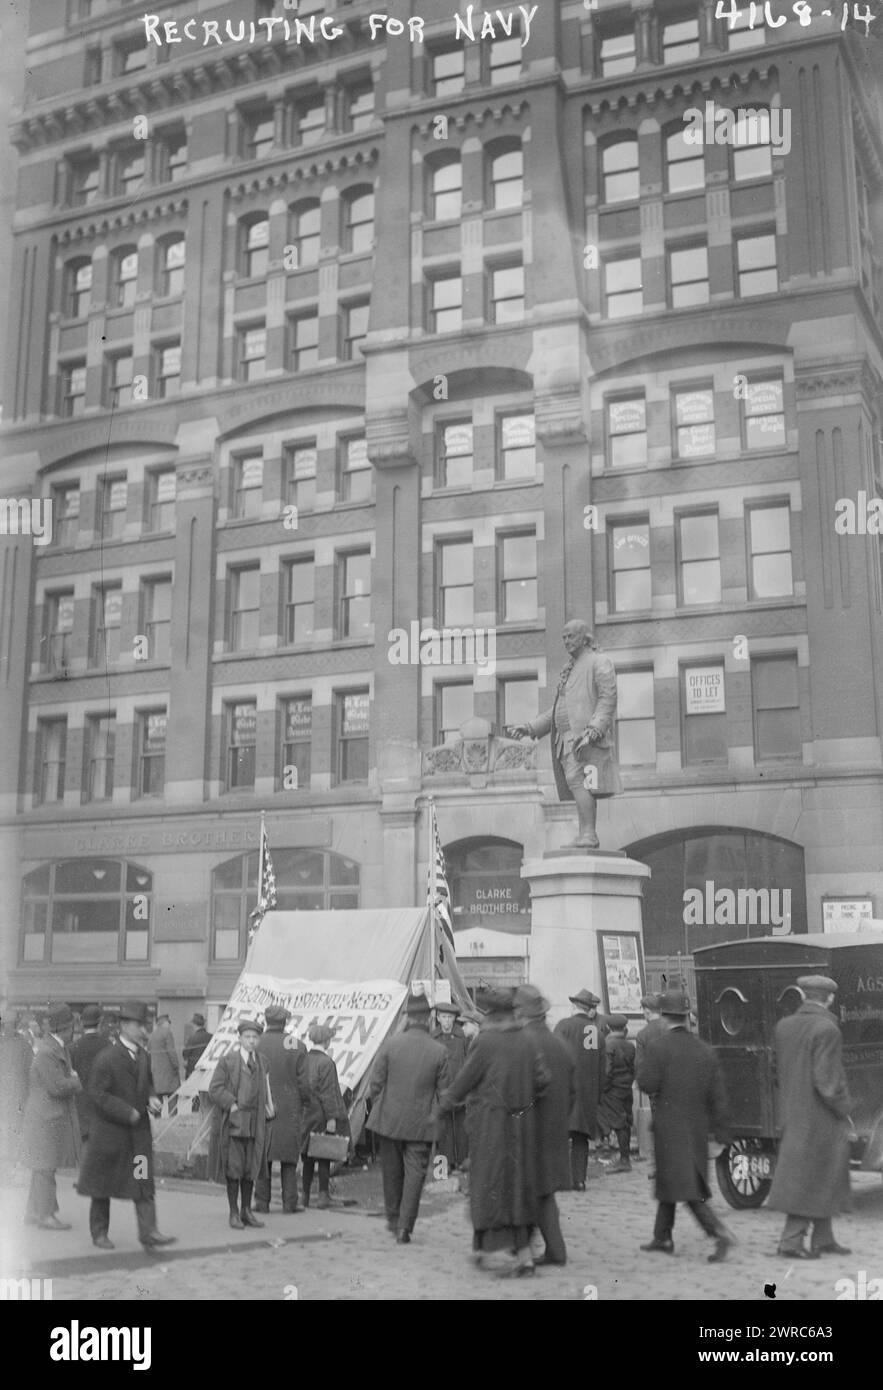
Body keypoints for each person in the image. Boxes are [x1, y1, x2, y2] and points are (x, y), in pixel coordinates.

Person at [438, 986, 550, 1277]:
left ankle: (482, 1248)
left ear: (489, 1014)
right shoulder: (526, 1039)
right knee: (517, 1191)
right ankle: (523, 1256)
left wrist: (443, 1104)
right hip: (521, 1126)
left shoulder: (485, 1042)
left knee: (488, 1188)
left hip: (490, 1127)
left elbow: (463, 1081)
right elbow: (543, 1081)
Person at [636, 988, 734, 1262]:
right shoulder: (705, 1050)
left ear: (665, 1017)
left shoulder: (658, 1047)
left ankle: (719, 1233)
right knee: (671, 1183)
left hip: (669, 1128)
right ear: (687, 1017)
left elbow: (646, 1083)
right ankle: (662, 1237)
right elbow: (719, 1097)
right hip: (696, 1128)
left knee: (686, 1188)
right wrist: (722, 1132)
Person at [509, 619, 621, 849]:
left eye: (571, 636)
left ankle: (589, 834)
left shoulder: (599, 661)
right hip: (565, 739)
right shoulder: (570, 668)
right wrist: (531, 727)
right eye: (564, 637)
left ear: (584, 637)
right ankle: (586, 834)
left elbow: (607, 698)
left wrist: (594, 730)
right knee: (576, 781)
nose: (566, 641)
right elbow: (559, 708)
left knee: (580, 781)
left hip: (585, 739)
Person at [77, 1000, 176, 1252]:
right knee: (103, 1186)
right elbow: (97, 1094)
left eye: (145, 1025)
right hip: (109, 1136)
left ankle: (149, 1232)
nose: (144, 1030)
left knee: (143, 1182)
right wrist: (127, 1111)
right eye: (139, 1025)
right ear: (124, 1026)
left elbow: (148, 1084)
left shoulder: (143, 1055)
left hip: (138, 1137)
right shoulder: (107, 1057)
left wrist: (152, 1098)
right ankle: (99, 1233)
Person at [767, 974, 854, 1259]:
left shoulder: (784, 1026)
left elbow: (775, 1071)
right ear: (829, 998)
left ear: (803, 996)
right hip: (822, 1116)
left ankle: (824, 1238)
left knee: (820, 1175)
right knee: (813, 1177)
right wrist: (845, 1108)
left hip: (794, 1112)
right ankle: (790, 1242)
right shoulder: (827, 1028)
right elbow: (827, 1081)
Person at [366, 993, 451, 1245]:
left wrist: (387, 1105)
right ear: (429, 1019)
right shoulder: (440, 1050)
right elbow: (444, 1092)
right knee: (415, 1176)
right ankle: (405, 1227)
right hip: (422, 1123)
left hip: (389, 1121)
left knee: (391, 1173)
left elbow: (376, 1084)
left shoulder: (390, 1045)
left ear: (408, 1018)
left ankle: (393, 1220)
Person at [514, 984, 574, 1267]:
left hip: (527, 1130)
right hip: (555, 1128)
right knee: (543, 1191)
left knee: (525, 1189)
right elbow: (572, 1091)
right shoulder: (561, 1045)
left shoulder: (521, 1044)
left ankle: (522, 1251)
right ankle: (555, 1250)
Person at [208, 1019, 275, 1230]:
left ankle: (247, 1211)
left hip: (256, 1125)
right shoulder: (227, 1061)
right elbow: (215, 1088)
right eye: (247, 1037)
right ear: (240, 1038)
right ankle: (234, 1212)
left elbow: (267, 1089)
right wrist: (232, 1104)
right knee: (234, 1170)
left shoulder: (263, 1062)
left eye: (255, 1037)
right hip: (234, 1125)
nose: (252, 1041)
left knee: (250, 1169)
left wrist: (270, 1107)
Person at [22, 1003, 82, 1230]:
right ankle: (46, 1215)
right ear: (66, 1029)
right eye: (72, 1028)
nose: (74, 1032)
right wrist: (76, 1080)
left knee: (42, 1168)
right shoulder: (49, 1053)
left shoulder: (56, 1048)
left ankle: (32, 1213)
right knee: (45, 1167)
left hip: (45, 1118)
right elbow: (57, 1086)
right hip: (44, 1120)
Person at [254, 1006, 310, 1214]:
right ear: (285, 1022)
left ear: (266, 1020)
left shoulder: (256, 1043)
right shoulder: (296, 1044)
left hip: (262, 1105)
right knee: (289, 1156)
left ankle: (261, 1201)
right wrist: (305, 1102)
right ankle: (290, 1202)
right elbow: (304, 1082)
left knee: (262, 1155)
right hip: (290, 1106)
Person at [553, 988, 608, 1190]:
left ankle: (560, 1178)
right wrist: (597, 1095)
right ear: (589, 1010)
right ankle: (580, 1180)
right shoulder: (596, 1032)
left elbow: (553, 1057)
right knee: (581, 1139)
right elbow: (602, 1069)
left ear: (574, 1007)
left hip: (563, 1091)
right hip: (587, 1095)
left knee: (559, 1136)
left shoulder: (563, 1026)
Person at [301, 1023, 349, 1210]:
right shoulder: (327, 1062)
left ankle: (304, 1196)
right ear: (327, 1040)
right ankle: (323, 1196)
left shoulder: (303, 1059)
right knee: (323, 1155)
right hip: (321, 1115)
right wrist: (332, 1118)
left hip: (306, 1114)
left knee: (306, 1156)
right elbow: (328, 1093)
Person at [431, 1000, 469, 1171]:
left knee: (461, 1128)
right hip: (440, 1091)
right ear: (438, 1018)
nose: (446, 1021)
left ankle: (461, 1162)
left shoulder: (462, 1037)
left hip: (460, 1089)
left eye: (450, 1018)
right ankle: (443, 1167)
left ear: (454, 1019)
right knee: (443, 1130)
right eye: (443, 1017)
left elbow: (468, 1062)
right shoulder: (433, 1038)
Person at [597, 1014, 636, 1173]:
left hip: (612, 1090)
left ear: (608, 1028)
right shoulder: (630, 1046)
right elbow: (634, 1068)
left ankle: (624, 1160)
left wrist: (603, 1089)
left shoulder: (608, 1046)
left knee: (619, 1124)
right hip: (626, 1088)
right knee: (625, 1122)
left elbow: (606, 1071)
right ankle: (624, 1157)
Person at [70, 1005, 106, 1145]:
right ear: (101, 1021)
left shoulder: (72, 1048)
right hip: (103, 1116)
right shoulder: (110, 1047)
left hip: (81, 1114)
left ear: (81, 1022)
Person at [148, 1013, 181, 1115]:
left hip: (156, 1074)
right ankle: (172, 1120)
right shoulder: (167, 1033)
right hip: (169, 1073)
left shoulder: (152, 1035)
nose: (170, 1024)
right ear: (164, 1023)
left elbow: (149, 1052)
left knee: (158, 1103)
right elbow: (171, 1052)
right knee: (173, 1101)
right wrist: (176, 1066)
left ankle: (157, 1121)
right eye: (169, 1022)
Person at [183, 1013, 213, 1078]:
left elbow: (185, 1053)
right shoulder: (211, 1037)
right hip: (207, 1069)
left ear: (194, 1024)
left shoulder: (192, 1038)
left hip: (194, 1069)